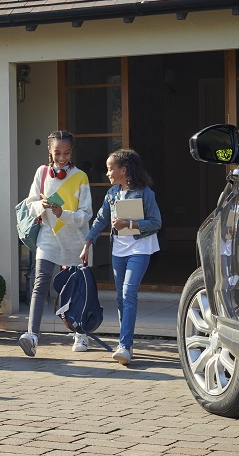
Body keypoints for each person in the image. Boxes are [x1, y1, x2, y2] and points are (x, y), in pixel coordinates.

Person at [81, 148, 162, 366]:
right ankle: (126, 342)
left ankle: (124, 346)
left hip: (140, 249)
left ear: (123, 170)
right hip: (118, 250)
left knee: (128, 294)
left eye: (110, 169)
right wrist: (88, 242)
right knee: (120, 298)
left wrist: (130, 225)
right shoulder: (112, 194)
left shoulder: (145, 193)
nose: (107, 173)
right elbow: (100, 220)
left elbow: (156, 223)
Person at [16, 131, 93, 357]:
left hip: (74, 241)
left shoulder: (81, 177)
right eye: (57, 152)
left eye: (66, 153)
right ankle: (32, 336)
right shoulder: (41, 173)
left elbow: (85, 214)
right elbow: (29, 205)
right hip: (48, 238)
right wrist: (42, 205)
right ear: (49, 151)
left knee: (76, 289)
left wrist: (63, 213)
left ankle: (81, 334)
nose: (62, 157)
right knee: (40, 284)